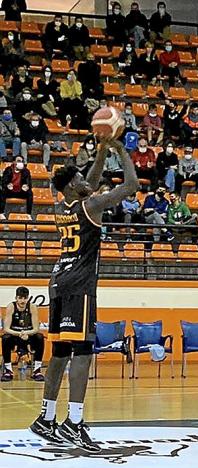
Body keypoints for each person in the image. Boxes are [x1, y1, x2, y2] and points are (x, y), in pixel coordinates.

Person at [28, 137, 137, 451]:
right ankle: (74, 423)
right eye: (78, 179)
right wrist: (119, 149)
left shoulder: (64, 206)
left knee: (60, 354)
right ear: (72, 188)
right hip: (79, 286)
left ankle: (46, 418)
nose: (87, 181)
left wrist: (100, 152)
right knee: (84, 353)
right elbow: (130, 185)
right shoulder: (91, 205)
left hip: (59, 282)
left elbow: (89, 181)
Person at [1, 286, 44, 382]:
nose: (22, 301)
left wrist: (27, 334)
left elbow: (36, 328)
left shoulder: (32, 307)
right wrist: (20, 334)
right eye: (20, 298)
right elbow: (6, 329)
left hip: (28, 336)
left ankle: (37, 370)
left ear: (28, 298)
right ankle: (8, 370)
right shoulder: (11, 306)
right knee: (5, 338)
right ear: (16, 298)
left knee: (39, 337)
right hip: (15, 336)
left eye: (25, 298)